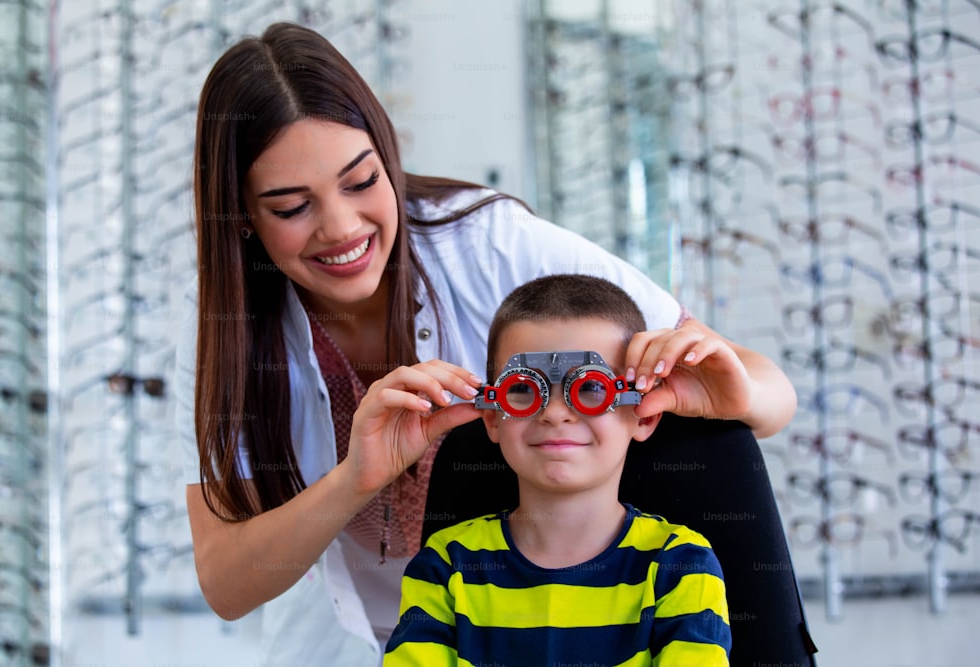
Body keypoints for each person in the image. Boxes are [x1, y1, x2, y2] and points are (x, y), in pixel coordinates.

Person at [176, 21, 811, 667]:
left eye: (363, 180)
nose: (341, 226)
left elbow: (767, 390)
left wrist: (731, 393)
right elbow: (226, 583)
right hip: (348, 637)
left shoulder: (492, 245)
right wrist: (355, 479)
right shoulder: (227, 324)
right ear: (243, 219)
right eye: (290, 208)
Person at [382, 274, 731, 666]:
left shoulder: (680, 565)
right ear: (493, 419)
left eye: (590, 388)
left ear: (644, 413)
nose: (555, 413)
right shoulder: (445, 566)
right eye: (524, 389)